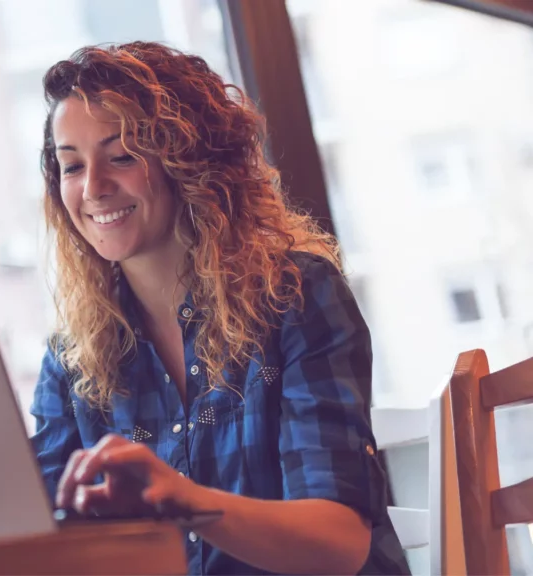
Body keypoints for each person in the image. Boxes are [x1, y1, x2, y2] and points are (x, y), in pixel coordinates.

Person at [30, 41, 410, 575]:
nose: (93, 188)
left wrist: (180, 499)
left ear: (189, 162)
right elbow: (38, 540)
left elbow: (338, 543)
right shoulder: (71, 357)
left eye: (122, 157)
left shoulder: (296, 295)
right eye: (71, 166)